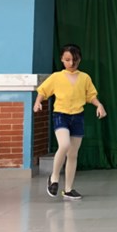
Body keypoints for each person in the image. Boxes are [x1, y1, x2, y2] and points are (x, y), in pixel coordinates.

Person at [34, 44, 106, 201]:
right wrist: (38, 102)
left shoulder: (85, 77)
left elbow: (91, 95)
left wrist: (99, 105)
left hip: (78, 117)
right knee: (64, 144)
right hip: (61, 115)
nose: (71, 63)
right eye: (67, 60)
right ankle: (54, 177)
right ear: (61, 59)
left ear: (79, 59)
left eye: (75, 59)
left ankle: (68, 189)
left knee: (73, 154)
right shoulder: (56, 77)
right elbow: (43, 90)